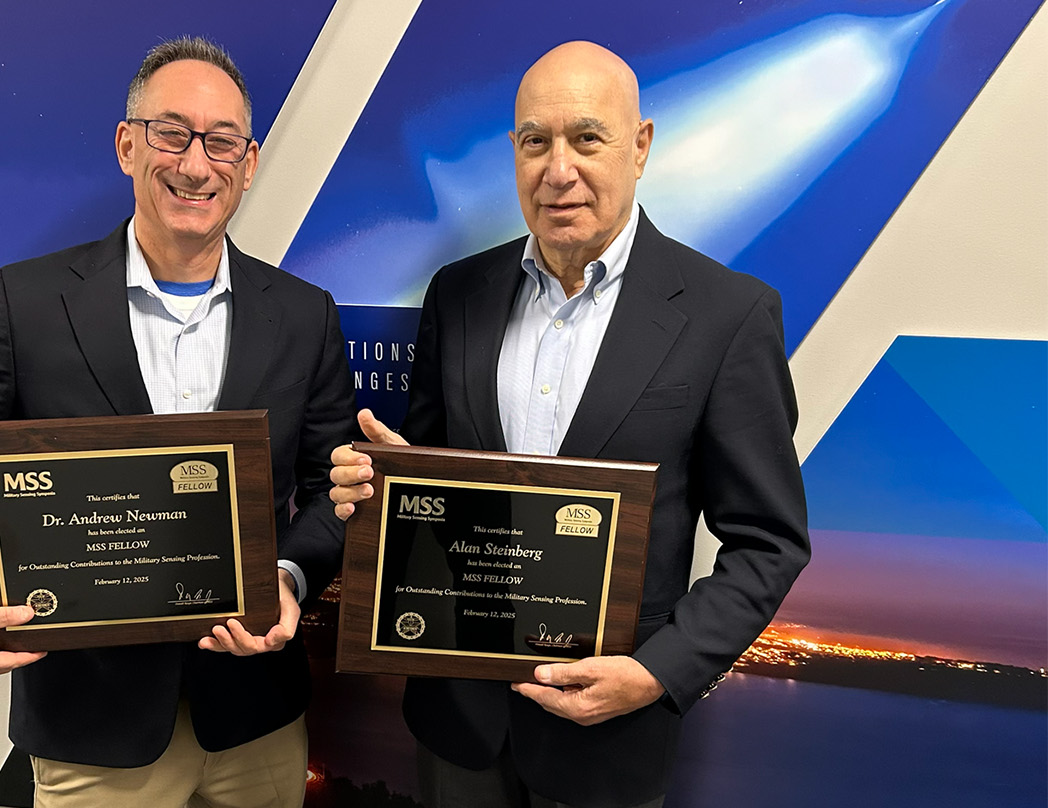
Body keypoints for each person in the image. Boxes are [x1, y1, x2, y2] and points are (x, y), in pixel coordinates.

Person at [0, 36, 356, 808]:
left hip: (258, 721)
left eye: (221, 141)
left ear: (248, 161)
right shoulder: (26, 304)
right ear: (128, 144)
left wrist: (289, 578)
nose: (196, 164)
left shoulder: (304, 315)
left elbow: (335, 487)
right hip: (93, 734)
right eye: (172, 133)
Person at [329, 41, 810, 808]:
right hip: (456, 729)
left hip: (610, 741)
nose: (559, 170)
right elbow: (434, 488)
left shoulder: (728, 315)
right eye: (535, 142)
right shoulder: (458, 294)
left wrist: (657, 672)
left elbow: (769, 542)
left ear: (641, 145)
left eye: (588, 138)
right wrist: (390, 483)